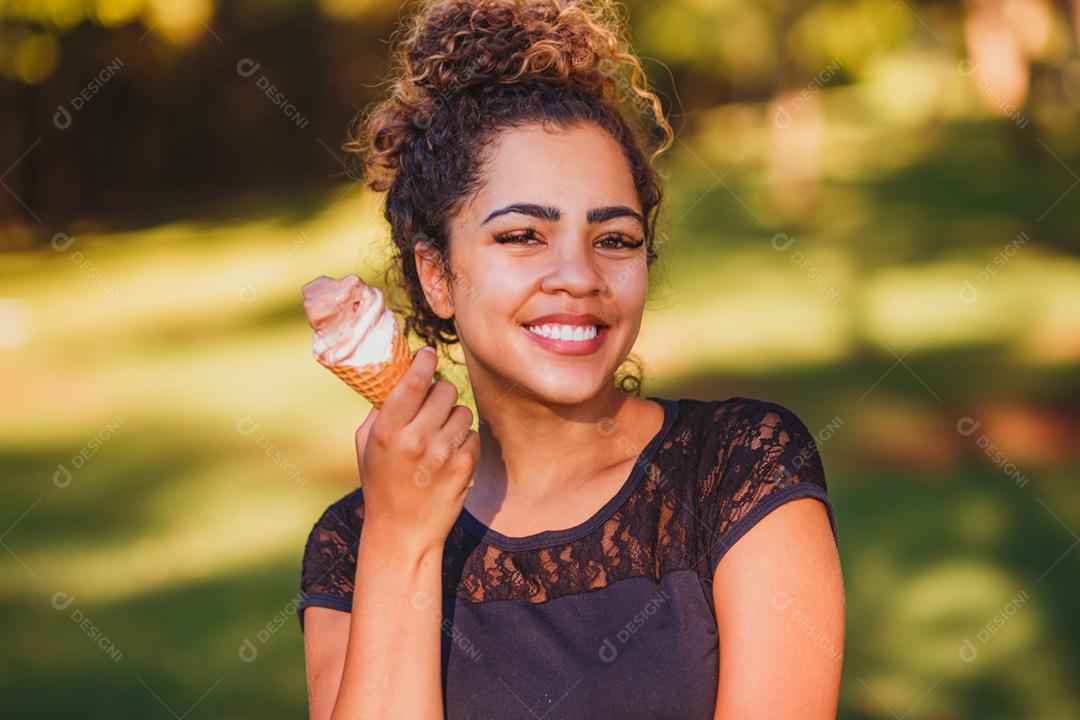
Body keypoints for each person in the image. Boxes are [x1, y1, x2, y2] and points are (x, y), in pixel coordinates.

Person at [297, 1, 845, 718]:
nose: (579, 277)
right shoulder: (353, 540)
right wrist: (401, 543)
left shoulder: (741, 471)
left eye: (614, 239)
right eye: (524, 235)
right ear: (436, 274)